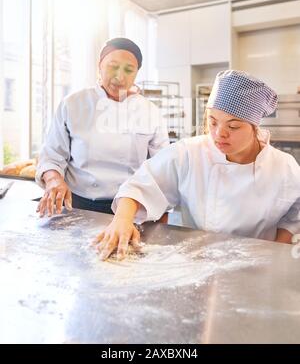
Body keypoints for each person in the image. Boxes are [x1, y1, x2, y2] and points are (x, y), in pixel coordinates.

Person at [94, 70, 300, 260]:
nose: (220, 133)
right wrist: (122, 219)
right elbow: (141, 185)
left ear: (254, 127)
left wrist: (275, 252)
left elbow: (295, 215)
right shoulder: (190, 153)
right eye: (212, 122)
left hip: (258, 268)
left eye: (233, 126)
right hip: (200, 262)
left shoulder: (282, 167)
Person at [36, 37, 169, 217]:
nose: (119, 77)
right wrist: (53, 180)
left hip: (129, 209)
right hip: (75, 206)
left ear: (137, 73)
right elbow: (52, 156)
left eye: (129, 70)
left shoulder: (150, 112)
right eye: (113, 66)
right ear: (99, 65)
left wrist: (162, 213)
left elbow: (162, 169)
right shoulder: (73, 104)